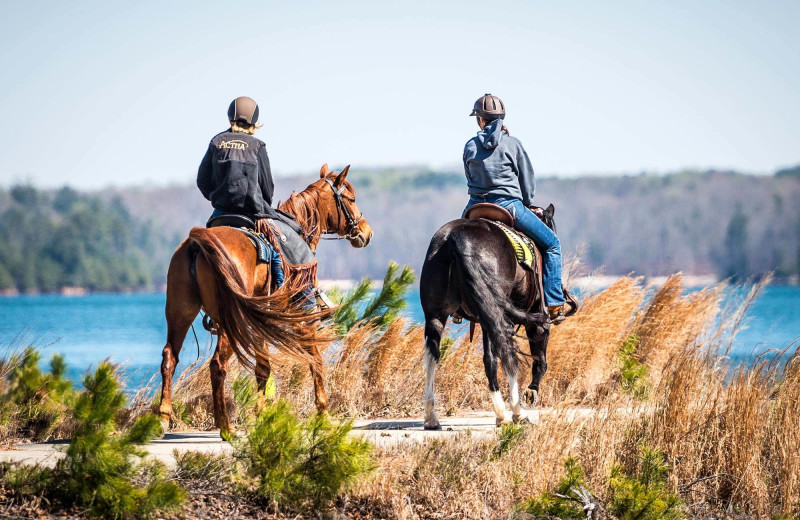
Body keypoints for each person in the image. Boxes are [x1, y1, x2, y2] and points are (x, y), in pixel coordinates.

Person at [462, 93, 566, 323]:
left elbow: (469, 177)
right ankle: (555, 303)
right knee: (552, 245)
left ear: (480, 120)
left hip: (475, 207)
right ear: (501, 118)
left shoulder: (470, 145)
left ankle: (458, 304)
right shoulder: (513, 144)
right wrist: (526, 202)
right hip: (509, 207)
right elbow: (527, 185)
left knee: (456, 245)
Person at [197, 96, 284, 288]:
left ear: (230, 118)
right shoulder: (257, 146)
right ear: (254, 122)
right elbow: (268, 187)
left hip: (219, 216)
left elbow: (202, 180)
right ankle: (280, 296)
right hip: (249, 216)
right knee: (276, 255)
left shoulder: (216, 142)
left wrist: (216, 196)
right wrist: (263, 206)